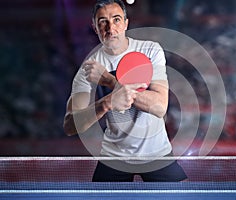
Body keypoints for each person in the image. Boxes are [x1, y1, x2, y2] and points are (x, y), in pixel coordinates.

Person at [63, 0, 187, 182]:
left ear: (126, 23)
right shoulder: (88, 70)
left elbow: (160, 107)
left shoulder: (150, 50)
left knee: (185, 195)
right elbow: (70, 125)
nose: (110, 28)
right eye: (102, 21)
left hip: (157, 154)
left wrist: (109, 81)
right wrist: (105, 104)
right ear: (95, 27)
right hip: (114, 158)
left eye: (116, 20)